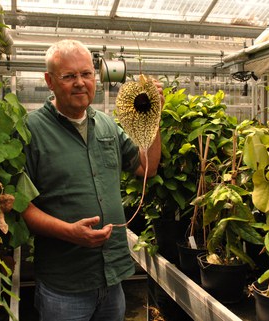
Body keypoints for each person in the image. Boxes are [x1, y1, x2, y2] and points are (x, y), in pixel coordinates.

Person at [21, 39, 163, 321]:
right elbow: (20, 205)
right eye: (69, 76)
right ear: (49, 81)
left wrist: (153, 117)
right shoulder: (31, 130)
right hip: (65, 285)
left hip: (112, 281)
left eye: (86, 74)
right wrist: (68, 231)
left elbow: (147, 168)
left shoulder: (107, 124)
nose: (80, 83)